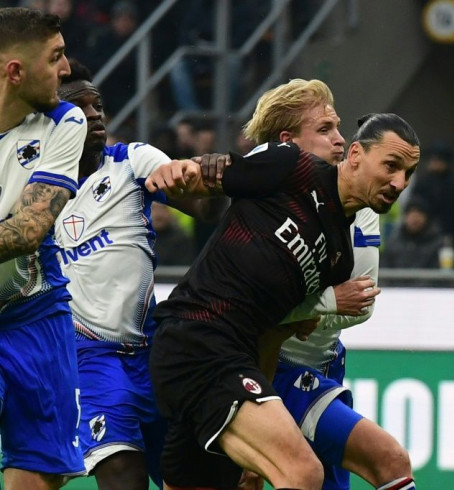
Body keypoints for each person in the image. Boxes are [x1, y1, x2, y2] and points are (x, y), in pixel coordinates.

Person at [144, 112, 420, 489]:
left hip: (236, 363)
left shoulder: (340, 258)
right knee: (304, 472)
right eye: (391, 166)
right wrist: (179, 170)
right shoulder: (294, 167)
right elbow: (216, 174)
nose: (399, 182)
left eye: (408, 173)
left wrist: (267, 405)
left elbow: (273, 335)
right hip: (196, 338)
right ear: (355, 154)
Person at [54, 59, 225, 490]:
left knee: (189, 479)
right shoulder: (35, 191)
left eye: (99, 105)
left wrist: (208, 178)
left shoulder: (132, 161)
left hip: (153, 349)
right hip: (87, 358)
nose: (96, 115)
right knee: (124, 477)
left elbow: (203, 207)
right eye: (81, 107)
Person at [238, 79, 415, 490]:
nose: (340, 141)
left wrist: (317, 306)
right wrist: (327, 301)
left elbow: (362, 303)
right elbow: (253, 303)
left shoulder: (361, 201)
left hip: (325, 365)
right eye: (325, 131)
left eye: (338, 129)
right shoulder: (265, 206)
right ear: (287, 143)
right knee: (388, 459)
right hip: (270, 365)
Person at [0, 7, 87, 489]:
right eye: (56, 57)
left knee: (38, 474)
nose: (67, 69)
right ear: (16, 71)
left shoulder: (63, 121)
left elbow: (30, 228)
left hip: (35, 313)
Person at [382, 196, 443, 269]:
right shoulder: (393, 243)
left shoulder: (436, 244)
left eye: (419, 213)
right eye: (411, 213)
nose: (414, 217)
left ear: (426, 217)